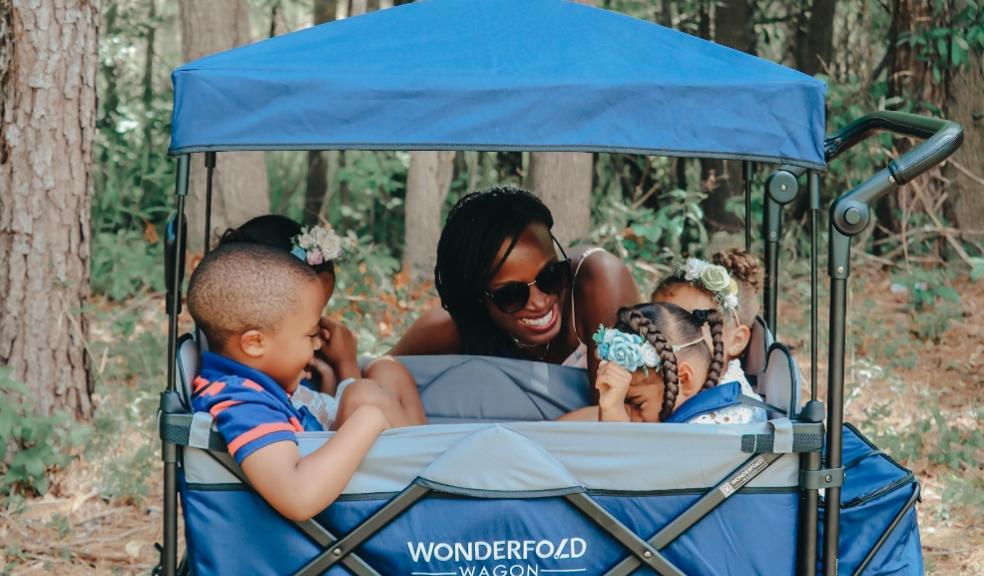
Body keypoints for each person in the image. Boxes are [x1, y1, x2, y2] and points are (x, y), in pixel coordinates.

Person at [187, 243, 413, 520]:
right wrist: (369, 418)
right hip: (345, 521)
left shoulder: (253, 385)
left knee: (384, 375)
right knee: (365, 396)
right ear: (255, 343)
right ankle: (440, 485)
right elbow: (298, 498)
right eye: (310, 335)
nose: (317, 343)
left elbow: (310, 424)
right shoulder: (242, 404)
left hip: (351, 502)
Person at [389, 186, 640, 385]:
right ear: (478, 297)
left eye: (551, 275)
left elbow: (622, 418)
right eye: (511, 294)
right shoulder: (452, 328)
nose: (541, 301)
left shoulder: (599, 283)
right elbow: (378, 373)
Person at [219, 215, 426, 428]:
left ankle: (422, 452)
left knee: (388, 370)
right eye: (312, 322)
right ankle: (427, 458)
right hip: (335, 451)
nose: (317, 335)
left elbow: (318, 409)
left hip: (332, 431)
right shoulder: (260, 379)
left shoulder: (274, 352)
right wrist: (347, 364)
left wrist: (328, 376)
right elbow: (329, 421)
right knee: (364, 394)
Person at [564, 302, 767, 424]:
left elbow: (623, 475)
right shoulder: (713, 386)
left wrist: (613, 415)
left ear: (684, 379)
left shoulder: (710, 428)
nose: (630, 416)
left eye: (637, 404)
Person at [652, 249, 763, 392]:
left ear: (737, 340)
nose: (669, 334)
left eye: (692, 322)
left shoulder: (724, 412)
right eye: (658, 320)